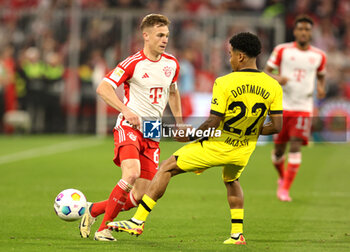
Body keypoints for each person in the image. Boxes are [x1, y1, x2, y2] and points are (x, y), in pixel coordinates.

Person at [107, 32, 283, 245]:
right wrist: (250, 131)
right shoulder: (273, 85)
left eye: (230, 55)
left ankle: (137, 221)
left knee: (167, 167)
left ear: (241, 57)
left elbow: (213, 123)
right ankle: (237, 235)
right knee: (232, 180)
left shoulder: (225, 82)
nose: (230, 59)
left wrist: (189, 135)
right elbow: (276, 126)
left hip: (218, 145)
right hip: (243, 150)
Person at [79, 14, 183, 241]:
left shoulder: (172, 63)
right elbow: (104, 88)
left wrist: (180, 121)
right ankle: (103, 230)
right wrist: (125, 110)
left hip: (153, 131)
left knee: (141, 195)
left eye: (166, 35)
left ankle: (93, 210)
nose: (164, 39)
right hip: (130, 127)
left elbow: (173, 92)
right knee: (132, 173)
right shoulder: (132, 63)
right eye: (159, 35)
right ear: (145, 36)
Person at [265, 15, 327, 202]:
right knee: (278, 152)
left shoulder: (319, 56)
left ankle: (285, 188)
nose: (303, 32)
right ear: (295, 31)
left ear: (311, 32)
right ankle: (282, 177)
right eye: (300, 29)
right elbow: (266, 71)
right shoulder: (282, 50)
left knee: (295, 144)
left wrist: (321, 87)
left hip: (303, 107)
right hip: (281, 106)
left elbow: (321, 75)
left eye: (307, 30)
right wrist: (278, 78)